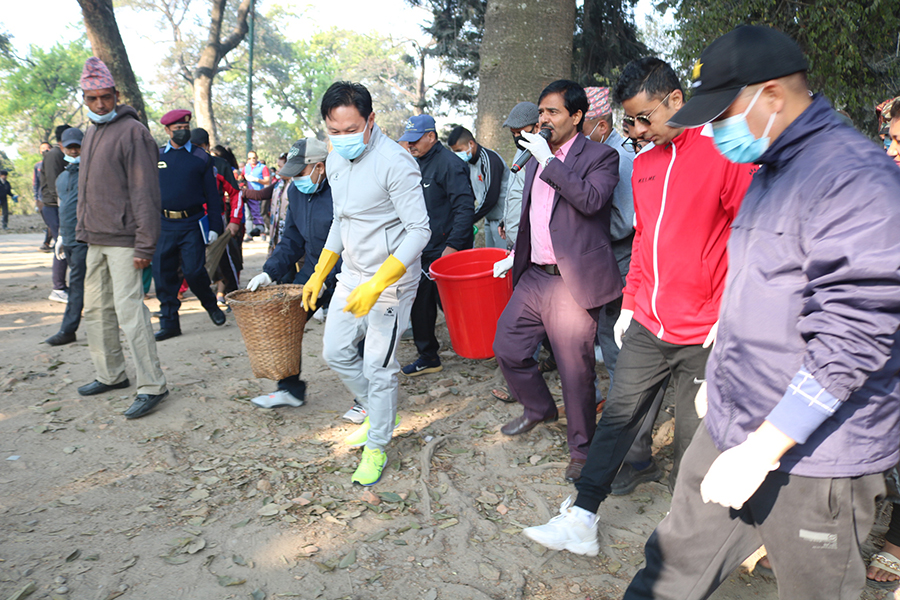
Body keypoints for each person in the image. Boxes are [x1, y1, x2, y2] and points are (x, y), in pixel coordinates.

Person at [616, 26, 900, 600]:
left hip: (818, 456)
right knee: (666, 572)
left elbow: (853, 339)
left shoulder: (855, 180)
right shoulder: (772, 169)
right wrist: (723, 368)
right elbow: (758, 287)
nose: (713, 129)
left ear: (771, 97)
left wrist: (764, 448)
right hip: (732, 420)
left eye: (722, 115)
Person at [521, 57, 755, 552]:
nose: (636, 131)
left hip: (706, 330)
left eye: (645, 118)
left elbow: (751, 239)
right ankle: (582, 516)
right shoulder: (644, 166)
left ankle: (687, 534)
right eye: (629, 120)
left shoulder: (725, 156)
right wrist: (630, 304)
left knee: (697, 438)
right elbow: (645, 242)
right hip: (649, 321)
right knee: (619, 416)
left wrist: (734, 313)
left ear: (676, 100)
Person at [491, 79, 621, 483]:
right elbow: (535, 217)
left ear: (577, 116)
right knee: (507, 348)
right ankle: (538, 408)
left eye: (552, 112)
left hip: (573, 280)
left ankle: (582, 450)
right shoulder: (532, 156)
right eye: (541, 112)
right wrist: (516, 256)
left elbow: (590, 201)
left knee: (575, 370)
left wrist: (549, 161)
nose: (543, 119)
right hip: (534, 275)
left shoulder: (602, 156)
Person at [304, 81, 430, 486]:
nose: (342, 139)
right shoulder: (337, 159)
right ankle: (378, 411)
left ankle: (377, 444)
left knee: (379, 367)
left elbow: (419, 231)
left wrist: (379, 284)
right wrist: (321, 270)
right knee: (336, 351)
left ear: (371, 120)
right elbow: (343, 219)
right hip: (352, 275)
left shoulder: (396, 162)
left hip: (389, 282)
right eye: (334, 131)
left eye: (351, 129)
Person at [75, 57, 168, 420]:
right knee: (96, 311)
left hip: (125, 239)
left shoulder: (133, 132)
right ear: (85, 98)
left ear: (116, 94)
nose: (100, 104)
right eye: (92, 98)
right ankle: (111, 374)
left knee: (130, 313)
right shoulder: (91, 132)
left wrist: (145, 244)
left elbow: (145, 193)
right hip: (94, 237)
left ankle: (152, 385)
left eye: (106, 97)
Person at [582, 85, 662, 495]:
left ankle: (635, 453)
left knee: (622, 358)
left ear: (600, 123)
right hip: (604, 265)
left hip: (624, 266)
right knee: (610, 349)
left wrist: (586, 227)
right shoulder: (595, 152)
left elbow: (631, 222)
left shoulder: (623, 160)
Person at [246, 138, 341, 408]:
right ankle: (290, 388)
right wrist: (270, 273)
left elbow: (354, 241)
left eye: (299, 173)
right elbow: (292, 240)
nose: (294, 179)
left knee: (352, 334)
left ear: (319, 167)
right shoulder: (298, 192)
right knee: (288, 321)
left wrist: (329, 277)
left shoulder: (343, 189)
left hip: (348, 270)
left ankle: (366, 398)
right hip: (312, 269)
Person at [398, 114, 475, 377]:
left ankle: (482, 344)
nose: (410, 145)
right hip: (422, 247)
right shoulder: (414, 163)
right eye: (407, 141)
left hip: (446, 248)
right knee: (420, 303)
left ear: (431, 136)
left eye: (415, 140)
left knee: (458, 304)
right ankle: (428, 355)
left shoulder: (449, 164)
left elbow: (465, 208)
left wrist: (453, 246)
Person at [152, 110, 226, 342]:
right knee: (163, 275)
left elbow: (213, 196)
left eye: (185, 128)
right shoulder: (156, 156)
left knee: (194, 271)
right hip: (163, 224)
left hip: (191, 223)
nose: (182, 132)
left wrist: (215, 225)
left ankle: (211, 305)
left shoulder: (201, 157)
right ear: (167, 131)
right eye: (177, 129)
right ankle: (169, 323)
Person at [190, 128, 243, 303]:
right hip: (190, 221)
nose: (196, 149)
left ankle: (233, 296)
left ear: (207, 145)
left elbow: (236, 193)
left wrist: (234, 220)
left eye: (200, 146)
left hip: (216, 219)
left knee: (226, 260)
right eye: (192, 146)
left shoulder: (219, 165)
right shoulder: (183, 163)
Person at [44, 128, 85, 346]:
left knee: (77, 286)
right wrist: (59, 236)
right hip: (67, 239)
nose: (74, 150)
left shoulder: (92, 174)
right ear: (62, 148)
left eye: (78, 146)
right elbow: (62, 208)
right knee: (79, 285)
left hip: (84, 240)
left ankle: (68, 329)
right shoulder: (61, 178)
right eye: (70, 147)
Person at [447, 126, 508, 249]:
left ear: (471, 143)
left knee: (505, 260)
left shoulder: (490, 160)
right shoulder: (469, 164)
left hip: (503, 221)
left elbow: (491, 196)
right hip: (489, 218)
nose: (458, 155)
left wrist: (469, 218)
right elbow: (472, 192)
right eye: (455, 152)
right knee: (492, 259)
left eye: (459, 150)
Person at [498, 102, 540, 251]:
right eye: (513, 133)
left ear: (537, 127)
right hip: (513, 238)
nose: (517, 138)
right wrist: (506, 219)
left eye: (520, 133)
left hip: (530, 242)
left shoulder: (543, 156)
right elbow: (515, 190)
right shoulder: (520, 152)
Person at [41, 124, 71, 303]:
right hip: (54, 206)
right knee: (62, 242)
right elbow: (54, 186)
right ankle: (58, 288)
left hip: (64, 205)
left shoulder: (66, 154)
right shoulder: (54, 155)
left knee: (67, 244)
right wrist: (63, 208)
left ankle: (63, 285)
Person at [242, 150, 271, 237]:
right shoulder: (245, 168)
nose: (252, 160)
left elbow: (267, 181)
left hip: (259, 195)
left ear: (257, 157)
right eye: (250, 158)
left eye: (254, 158)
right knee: (248, 215)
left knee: (260, 214)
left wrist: (256, 179)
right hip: (248, 194)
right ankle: (249, 234)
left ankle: (263, 232)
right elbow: (241, 178)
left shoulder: (263, 167)